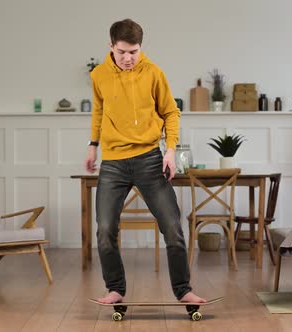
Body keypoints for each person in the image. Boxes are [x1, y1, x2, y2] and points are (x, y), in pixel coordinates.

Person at [84, 18, 205, 304]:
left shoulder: (154, 73)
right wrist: (93, 146)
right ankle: (115, 288)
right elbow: (99, 111)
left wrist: (170, 150)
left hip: (150, 158)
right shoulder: (99, 75)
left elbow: (171, 113)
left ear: (141, 48)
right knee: (104, 229)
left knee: (173, 226)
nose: (128, 58)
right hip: (113, 162)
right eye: (122, 51)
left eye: (134, 52)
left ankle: (183, 290)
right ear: (111, 46)